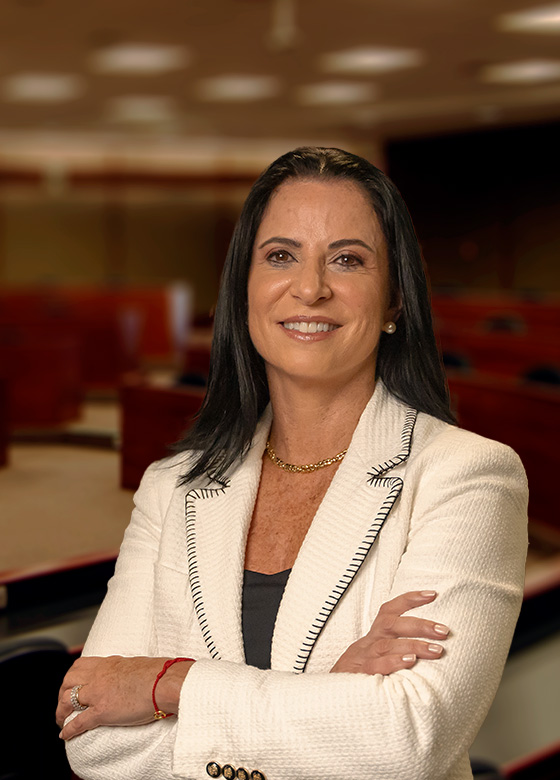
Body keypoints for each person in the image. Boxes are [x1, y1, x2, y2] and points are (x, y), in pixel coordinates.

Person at [56, 147, 528, 780]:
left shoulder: (468, 477)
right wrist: (331, 696)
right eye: (281, 256)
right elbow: (90, 734)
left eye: (348, 259)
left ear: (394, 300)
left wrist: (168, 684)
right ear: (244, 288)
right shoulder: (172, 488)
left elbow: (408, 742)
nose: (310, 288)